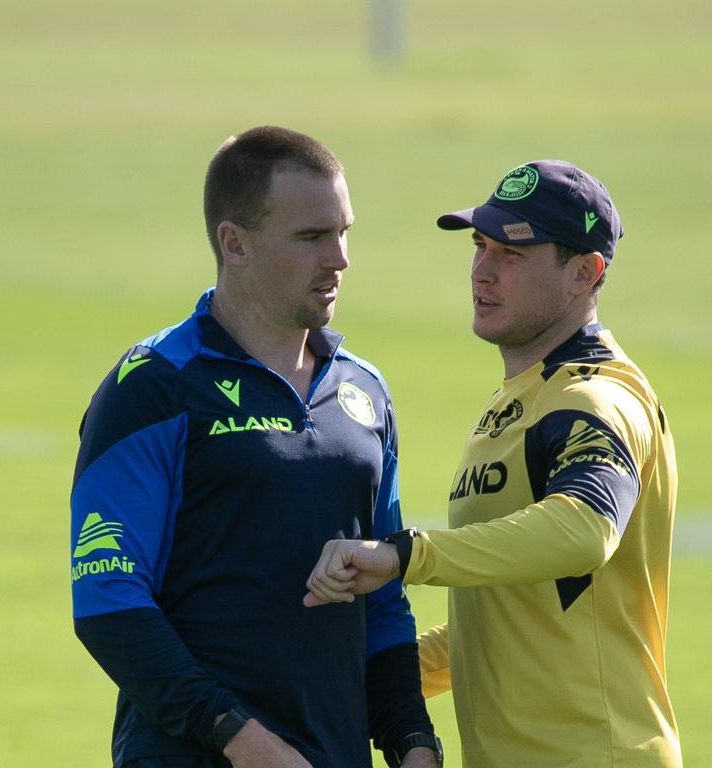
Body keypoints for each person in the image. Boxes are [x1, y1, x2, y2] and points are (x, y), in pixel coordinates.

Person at [70, 126, 442, 768]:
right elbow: (109, 602)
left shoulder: (364, 392)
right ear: (234, 244)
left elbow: (382, 594)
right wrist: (244, 742)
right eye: (311, 237)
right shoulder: (156, 387)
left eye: (343, 231)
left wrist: (413, 741)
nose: (340, 258)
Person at [305, 160, 682, 767]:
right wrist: (361, 676)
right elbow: (504, 627)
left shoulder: (595, 399)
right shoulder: (519, 400)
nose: (482, 271)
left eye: (513, 254)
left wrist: (407, 555)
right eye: (481, 246)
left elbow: (587, 530)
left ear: (585, 273)